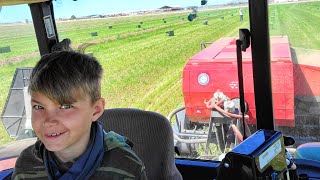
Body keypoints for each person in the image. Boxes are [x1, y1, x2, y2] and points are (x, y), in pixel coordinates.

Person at [12, 51, 147, 179]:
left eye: (65, 106)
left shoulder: (125, 167)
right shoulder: (26, 164)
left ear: (96, 110)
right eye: (39, 107)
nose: (48, 121)